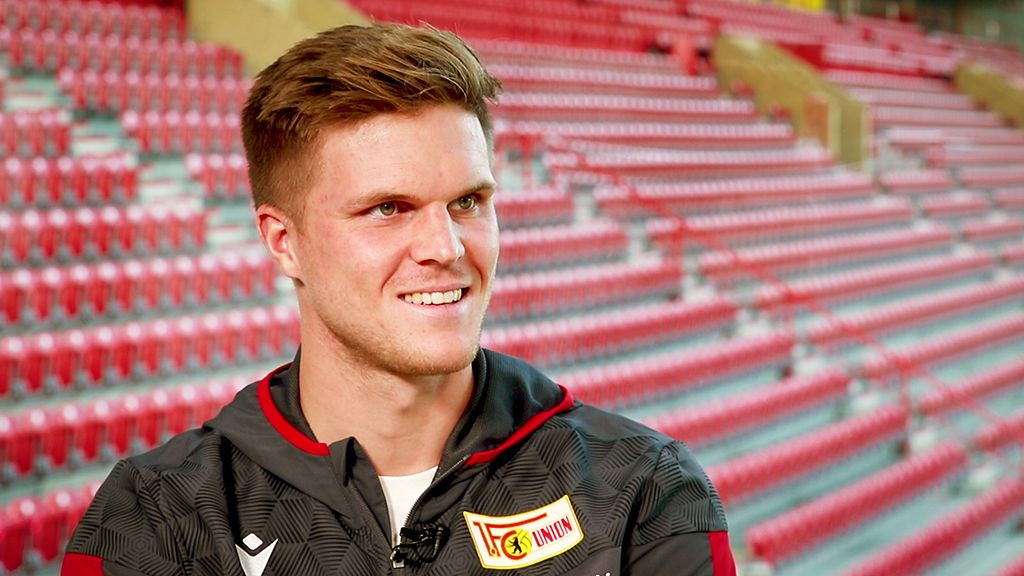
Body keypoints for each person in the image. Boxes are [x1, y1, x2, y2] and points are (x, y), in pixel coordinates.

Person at [63, 23, 735, 575]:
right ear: (283, 241)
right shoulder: (159, 519)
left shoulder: (640, 493)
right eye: (389, 208)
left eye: (469, 201)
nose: (445, 246)